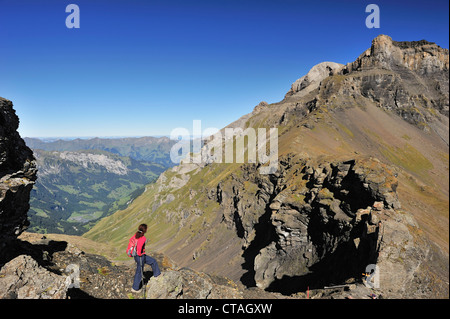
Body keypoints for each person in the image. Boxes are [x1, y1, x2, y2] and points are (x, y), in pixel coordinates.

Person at [129, 224, 161, 293]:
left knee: (153, 261)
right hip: (140, 256)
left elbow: (131, 240)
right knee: (139, 271)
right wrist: (140, 254)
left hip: (136, 256)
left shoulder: (135, 235)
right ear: (145, 230)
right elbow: (139, 248)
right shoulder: (143, 238)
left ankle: (157, 275)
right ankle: (135, 288)